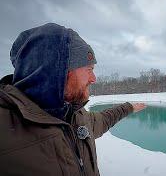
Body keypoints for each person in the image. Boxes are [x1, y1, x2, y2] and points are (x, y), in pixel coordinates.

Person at [0, 23, 146, 176]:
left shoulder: (76, 116)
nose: (93, 78)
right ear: (58, 71)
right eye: (89, 69)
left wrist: (128, 107)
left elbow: (104, 119)